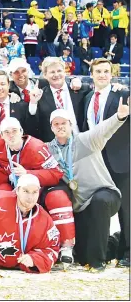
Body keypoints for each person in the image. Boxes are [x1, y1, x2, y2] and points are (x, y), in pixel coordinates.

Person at [0, 117, 75, 266]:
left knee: (57, 198)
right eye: (6, 132)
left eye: (14, 131)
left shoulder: (37, 148)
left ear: (21, 132)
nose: (11, 135)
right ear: (1, 135)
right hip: (12, 188)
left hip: (35, 188)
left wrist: (28, 173)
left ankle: (66, 246)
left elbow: (56, 173)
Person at [47, 107, 128, 271]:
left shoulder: (86, 140)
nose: (60, 126)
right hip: (81, 205)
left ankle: (98, 262)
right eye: (56, 124)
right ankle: (115, 242)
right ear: (51, 127)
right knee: (82, 255)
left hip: (105, 195)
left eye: (64, 123)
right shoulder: (48, 150)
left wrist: (119, 116)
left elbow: (103, 129)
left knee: (100, 201)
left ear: (70, 125)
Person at [82, 58, 130, 267]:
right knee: (99, 205)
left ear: (112, 74)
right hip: (96, 160)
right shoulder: (87, 97)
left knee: (126, 208)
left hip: (120, 159)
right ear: (92, 74)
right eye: (98, 71)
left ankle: (127, 253)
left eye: (106, 71)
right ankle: (98, 251)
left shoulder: (123, 94)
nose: (102, 75)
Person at [31, 57, 90, 142]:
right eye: (52, 72)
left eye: (59, 71)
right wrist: (33, 102)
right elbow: (34, 122)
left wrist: (116, 87)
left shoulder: (81, 89)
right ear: (45, 75)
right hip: (54, 147)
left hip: (80, 142)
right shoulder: (40, 95)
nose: (56, 75)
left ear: (64, 72)